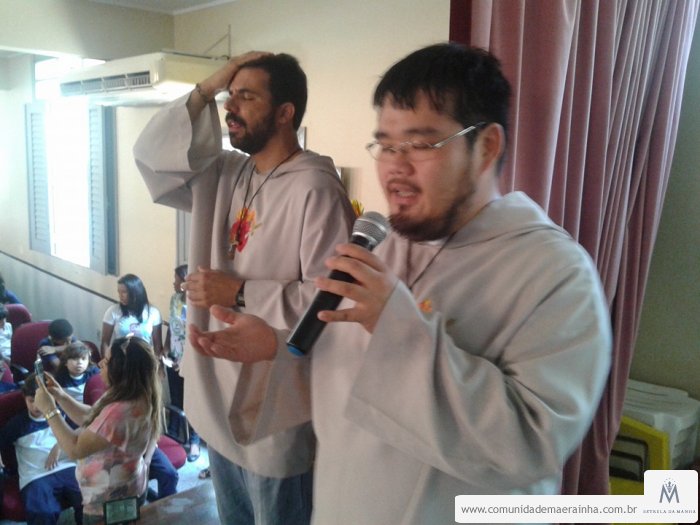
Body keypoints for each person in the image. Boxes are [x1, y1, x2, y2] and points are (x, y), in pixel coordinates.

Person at [188, 43, 613, 524]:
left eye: (420, 144)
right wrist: (275, 345)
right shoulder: (382, 247)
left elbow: (530, 442)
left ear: (487, 146)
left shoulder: (556, 275)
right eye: (386, 145)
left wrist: (398, 326)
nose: (395, 166)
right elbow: (343, 377)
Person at [134, 51, 356, 524]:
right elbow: (152, 157)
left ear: (285, 112)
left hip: (274, 407)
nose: (230, 108)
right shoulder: (226, 173)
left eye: (247, 97)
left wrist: (239, 292)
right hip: (216, 395)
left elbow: (332, 301)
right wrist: (206, 88)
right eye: (229, 96)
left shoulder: (315, 188)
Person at [33, 336, 162, 523]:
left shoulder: (121, 412)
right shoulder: (130, 392)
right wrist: (61, 396)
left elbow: (74, 448)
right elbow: (92, 417)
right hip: (127, 486)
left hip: (109, 501)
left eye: (107, 361)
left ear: (121, 370)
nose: (100, 363)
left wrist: (49, 410)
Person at [0, 373, 83, 525]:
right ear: (25, 399)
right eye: (31, 401)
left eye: (40, 401)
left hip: (66, 466)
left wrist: (59, 445)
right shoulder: (17, 424)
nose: (36, 406)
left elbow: (82, 429)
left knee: (87, 499)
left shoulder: (62, 413)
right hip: (36, 475)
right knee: (43, 512)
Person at [163, 264, 201, 462]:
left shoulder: (197, 305)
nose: (174, 283)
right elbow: (172, 325)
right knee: (176, 397)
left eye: (177, 280)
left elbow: (197, 335)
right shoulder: (175, 299)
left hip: (192, 360)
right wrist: (165, 347)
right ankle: (175, 434)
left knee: (193, 400)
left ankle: (194, 440)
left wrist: (185, 361)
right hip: (173, 356)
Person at [100, 274, 163, 358]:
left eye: (124, 292)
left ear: (135, 292)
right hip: (120, 359)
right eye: (119, 292)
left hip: (144, 359)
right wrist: (106, 361)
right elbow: (105, 342)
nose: (120, 296)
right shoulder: (113, 311)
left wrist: (156, 363)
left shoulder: (153, 312)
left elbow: (158, 346)